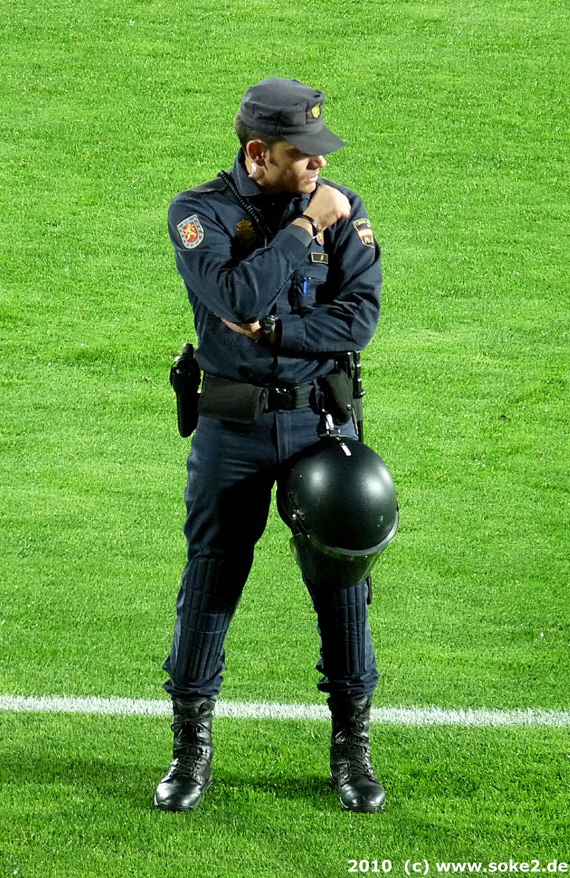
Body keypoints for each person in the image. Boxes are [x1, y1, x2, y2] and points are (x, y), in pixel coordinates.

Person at [155, 78, 384, 814]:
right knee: (211, 582)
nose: (318, 167)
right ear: (258, 154)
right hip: (234, 431)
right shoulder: (199, 213)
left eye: (321, 154)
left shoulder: (346, 207)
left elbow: (359, 319)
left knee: (343, 586)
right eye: (301, 155)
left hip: (323, 428)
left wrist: (283, 335)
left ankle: (352, 746)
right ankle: (190, 749)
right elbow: (237, 299)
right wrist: (303, 231)